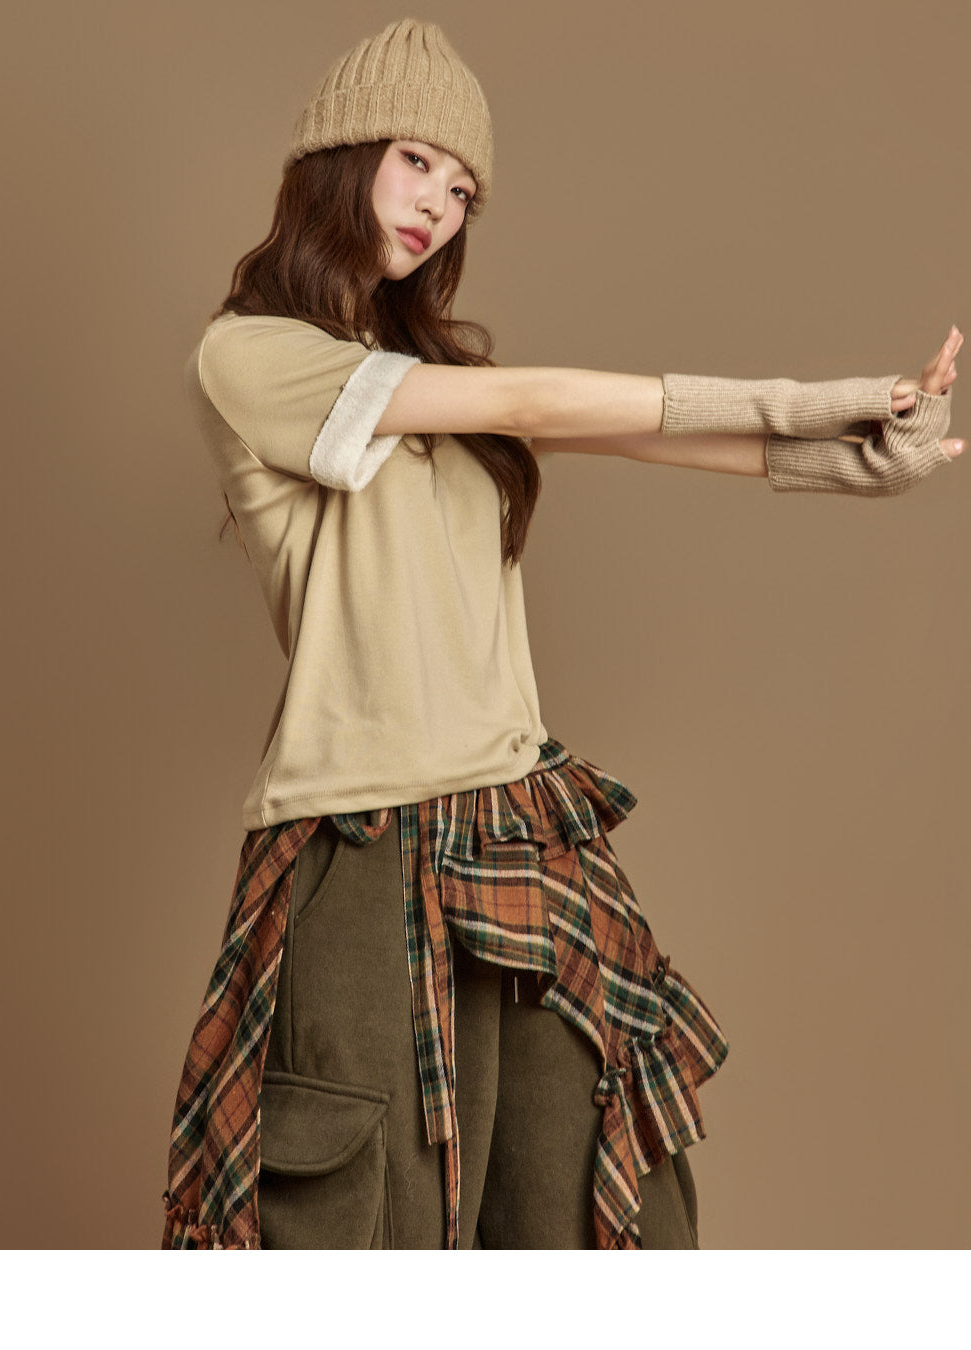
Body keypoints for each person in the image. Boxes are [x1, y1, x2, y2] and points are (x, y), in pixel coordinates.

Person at [161, 18, 963, 1251]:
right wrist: (806, 398)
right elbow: (541, 400)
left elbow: (615, 430)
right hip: (364, 837)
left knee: (588, 1210)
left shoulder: (427, 372)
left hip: (519, 822)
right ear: (341, 153)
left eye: (462, 189)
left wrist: (847, 455)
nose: (439, 206)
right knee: (369, 1231)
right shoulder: (249, 356)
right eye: (417, 161)